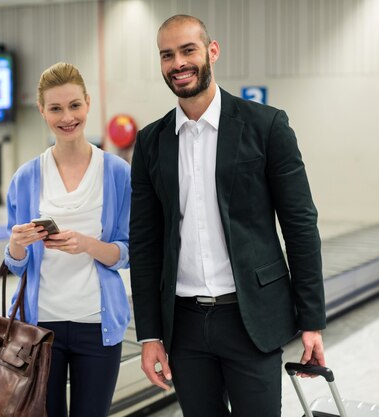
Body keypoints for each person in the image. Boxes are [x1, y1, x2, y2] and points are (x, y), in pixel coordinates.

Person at [129, 14, 326, 417]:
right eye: (167, 55)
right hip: (183, 326)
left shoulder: (266, 126)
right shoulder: (151, 141)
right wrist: (149, 335)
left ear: (211, 51)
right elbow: (145, 243)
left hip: (250, 318)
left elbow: (300, 225)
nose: (178, 63)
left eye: (188, 50)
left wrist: (312, 320)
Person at [4, 62, 131, 417]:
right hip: (40, 327)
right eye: (56, 108)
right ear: (42, 110)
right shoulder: (27, 177)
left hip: (98, 325)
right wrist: (17, 244)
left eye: (74, 105)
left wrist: (87, 245)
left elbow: (127, 251)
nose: (67, 117)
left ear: (88, 103)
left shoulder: (117, 173)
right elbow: (16, 263)